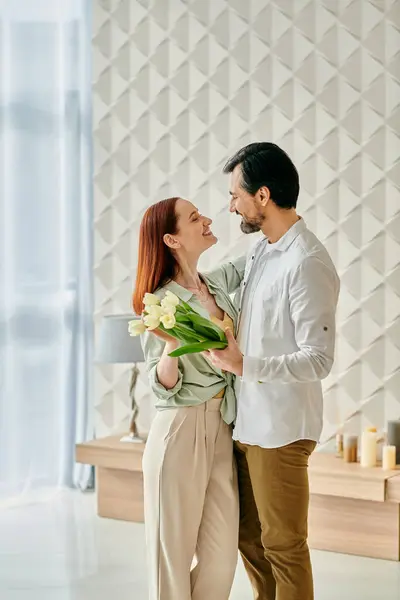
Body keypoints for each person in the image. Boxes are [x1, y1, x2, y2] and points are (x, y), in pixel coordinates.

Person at [205, 142, 340, 600]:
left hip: (281, 431)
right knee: (249, 540)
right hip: (249, 422)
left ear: (262, 196)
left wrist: (245, 364)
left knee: (283, 546)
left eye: (234, 194)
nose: (230, 205)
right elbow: (219, 284)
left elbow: (318, 358)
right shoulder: (264, 249)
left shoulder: (307, 262)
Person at [132, 197, 245, 600]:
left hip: (221, 427)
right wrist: (172, 346)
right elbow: (161, 386)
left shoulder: (215, 284)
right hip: (179, 429)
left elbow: (264, 256)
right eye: (195, 218)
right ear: (171, 240)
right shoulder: (159, 304)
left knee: (221, 559)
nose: (207, 220)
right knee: (171, 564)